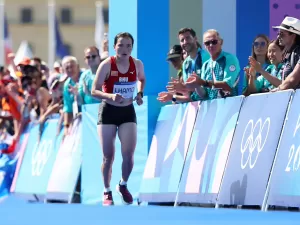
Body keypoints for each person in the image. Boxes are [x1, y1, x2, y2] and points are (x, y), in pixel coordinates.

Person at [91, 32, 145, 206]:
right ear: (114, 47)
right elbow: (94, 90)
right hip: (108, 111)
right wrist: (110, 96)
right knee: (108, 156)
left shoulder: (136, 64)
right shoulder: (107, 65)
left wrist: (139, 93)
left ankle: (123, 184)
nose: (125, 49)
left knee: (128, 155)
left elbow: (141, 80)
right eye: (121, 45)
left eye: (129, 46)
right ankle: (106, 191)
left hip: (127, 112)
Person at [271, 16, 300, 91]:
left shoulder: (298, 52)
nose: (278, 37)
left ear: (293, 36)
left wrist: (279, 89)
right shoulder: (288, 54)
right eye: (278, 33)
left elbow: (293, 79)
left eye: (282, 34)